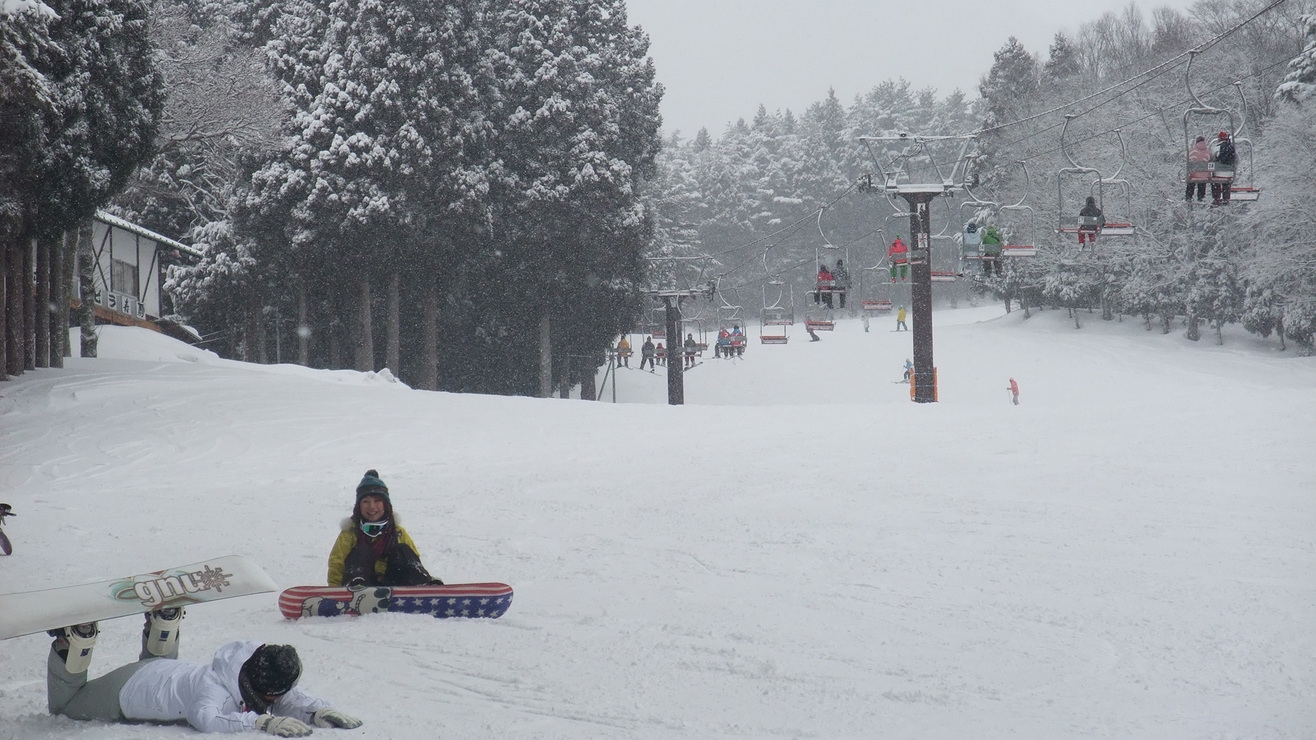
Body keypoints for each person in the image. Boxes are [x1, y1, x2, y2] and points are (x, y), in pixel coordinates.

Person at [46, 614, 361, 736]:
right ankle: (75, 641)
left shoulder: (242, 666)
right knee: (67, 705)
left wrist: (317, 711)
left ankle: (164, 624)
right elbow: (205, 718)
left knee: (162, 665)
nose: (277, 700)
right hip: (124, 692)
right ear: (264, 687)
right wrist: (260, 721)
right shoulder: (216, 692)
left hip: (159, 667)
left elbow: (286, 696)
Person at [327, 470, 443, 589]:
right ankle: (356, 585)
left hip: (394, 584)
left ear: (385, 504)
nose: (372, 507)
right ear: (359, 506)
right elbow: (337, 564)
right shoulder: (350, 533)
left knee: (402, 550)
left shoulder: (397, 532)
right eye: (366, 501)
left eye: (377, 501)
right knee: (362, 551)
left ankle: (421, 584)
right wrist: (335, 592)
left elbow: (412, 558)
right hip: (364, 586)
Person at [1210, 131, 1236, 205]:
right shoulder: (1231, 148)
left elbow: (1212, 159)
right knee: (1226, 183)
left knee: (1215, 181)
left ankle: (1216, 198)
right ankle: (1226, 198)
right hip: (1229, 172)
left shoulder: (1217, 148)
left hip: (1219, 172)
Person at [1186, 135, 1210, 202]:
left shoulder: (1192, 151)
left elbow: (1189, 162)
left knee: (1191, 181)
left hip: (1194, 174)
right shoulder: (1208, 151)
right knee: (1202, 181)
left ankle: (1188, 197)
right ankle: (1201, 198)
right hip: (1204, 175)